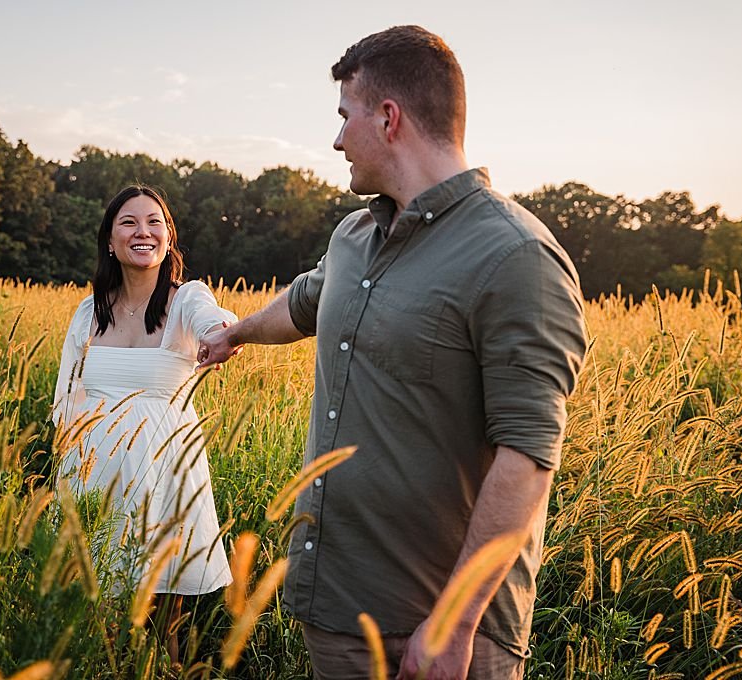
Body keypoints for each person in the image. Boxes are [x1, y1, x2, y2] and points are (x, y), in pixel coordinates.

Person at [197, 25, 587, 680]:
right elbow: (303, 305)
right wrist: (234, 333)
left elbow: (527, 457)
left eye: (344, 116)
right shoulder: (354, 236)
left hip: (436, 635)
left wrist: (455, 623)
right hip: (339, 604)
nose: (337, 138)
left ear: (388, 117)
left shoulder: (516, 257)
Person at [53, 184, 234, 661]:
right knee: (102, 613)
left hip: (164, 468)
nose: (143, 231)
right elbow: (67, 394)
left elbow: (212, 320)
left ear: (168, 237)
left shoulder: (185, 300)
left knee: (165, 617)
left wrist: (221, 335)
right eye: (128, 222)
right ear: (110, 241)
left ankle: (167, 667)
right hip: (95, 471)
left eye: (154, 222)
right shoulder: (88, 312)